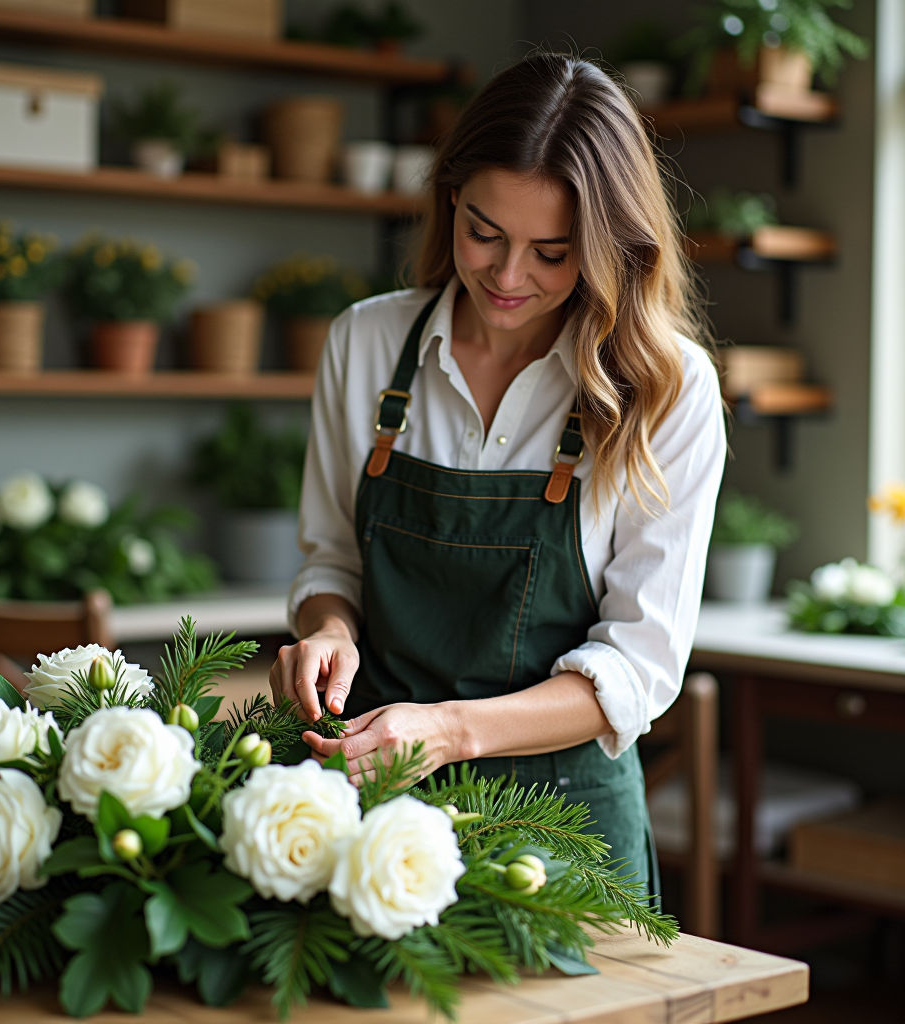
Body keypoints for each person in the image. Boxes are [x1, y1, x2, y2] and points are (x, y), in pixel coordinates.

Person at [269, 53, 725, 891]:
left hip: (565, 833)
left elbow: (638, 668)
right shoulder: (366, 343)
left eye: (552, 252)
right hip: (370, 799)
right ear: (451, 198)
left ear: (610, 249)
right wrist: (328, 631)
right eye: (485, 233)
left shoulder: (666, 387)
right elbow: (333, 559)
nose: (509, 278)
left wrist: (448, 732)